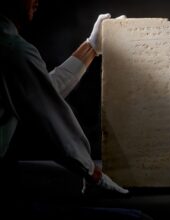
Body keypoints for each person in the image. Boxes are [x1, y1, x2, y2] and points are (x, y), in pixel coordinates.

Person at [0, 0, 129, 203]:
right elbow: (49, 118)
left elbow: (42, 90)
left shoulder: (8, 44)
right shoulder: (13, 50)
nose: (37, 1)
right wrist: (92, 172)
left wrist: (92, 47)